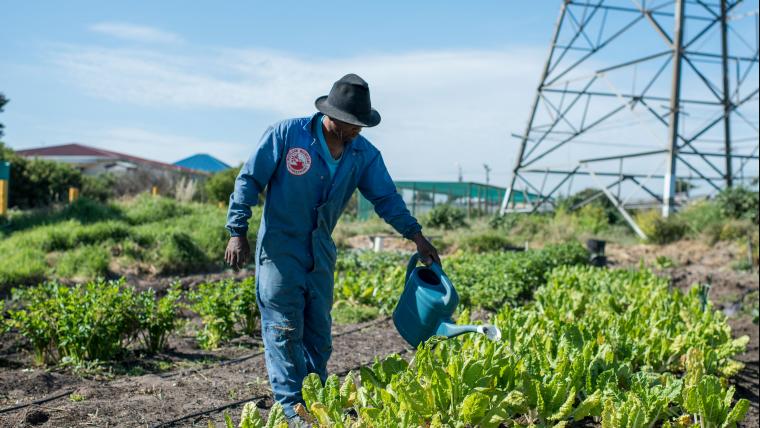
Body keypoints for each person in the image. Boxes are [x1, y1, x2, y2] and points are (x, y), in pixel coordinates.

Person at [224, 73, 439, 419]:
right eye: (353, 124)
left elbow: (386, 198)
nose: (358, 130)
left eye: (362, 124)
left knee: (319, 338)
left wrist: (416, 235)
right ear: (333, 117)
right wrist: (237, 229)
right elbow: (249, 179)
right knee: (282, 330)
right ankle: (293, 411)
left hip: (320, 253)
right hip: (280, 252)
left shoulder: (363, 155)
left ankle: (316, 404)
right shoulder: (287, 135)